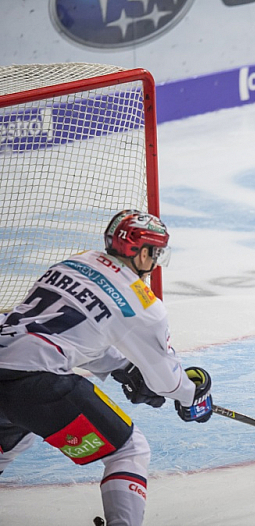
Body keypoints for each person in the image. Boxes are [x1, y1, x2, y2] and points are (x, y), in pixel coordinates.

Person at [0, 210, 213, 526]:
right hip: (35, 385)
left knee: (11, 442)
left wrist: (122, 366)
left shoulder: (75, 262)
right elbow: (167, 381)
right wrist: (191, 395)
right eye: (154, 253)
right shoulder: (142, 303)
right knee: (130, 450)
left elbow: (71, 335)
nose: (155, 261)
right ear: (141, 252)